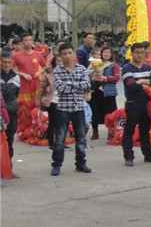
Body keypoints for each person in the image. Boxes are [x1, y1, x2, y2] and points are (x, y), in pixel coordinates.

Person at [50, 43, 92, 176]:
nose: (68, 56)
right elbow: (60, 88)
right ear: (60, 56)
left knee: (81, 138)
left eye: (70, 53)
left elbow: (87, 85)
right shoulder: (57, 70)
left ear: (73, 53)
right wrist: (77, 86)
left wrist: (68, 83)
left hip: (79, 107)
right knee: (60, 138)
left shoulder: (81, 69)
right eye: (64, 54)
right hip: (63, 108)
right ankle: (57, 164)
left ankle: (81, 163)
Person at [121, 42, 151, 167]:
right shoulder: (126, 68)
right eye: (137, 53)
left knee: (145, 131)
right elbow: (132, 86)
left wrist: (143, 81)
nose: (139, 55)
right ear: (132, 53)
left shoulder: (148, 67)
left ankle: (148, 155)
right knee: (129, 131)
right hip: (133, 104)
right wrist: (147, 85)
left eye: (142, 53)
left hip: (147, 104)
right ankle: (129, 157)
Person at [11, 33, 46, 128]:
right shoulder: (16, 55)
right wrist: (23, 74)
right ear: (22, 42)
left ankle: (36, 128)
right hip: (24, 86)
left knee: (37, 106)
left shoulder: (38, 54)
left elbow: (46, 66)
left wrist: (39, 73)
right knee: (24, 107)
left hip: (36, 85)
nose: (29, 42)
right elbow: (11, 69)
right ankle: (24, 129)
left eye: (30, 40)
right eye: (26, 40)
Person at [88, 46, 120, 140]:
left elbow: (116, 78)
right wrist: (93, 78)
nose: (106, 54)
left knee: (110, 113)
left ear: (111, 54)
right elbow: (88, 74)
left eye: (108, 52)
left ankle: (111, 132)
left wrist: (105, 78)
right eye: (105, 52)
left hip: (108, 92)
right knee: (95, 112)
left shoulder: (114, 65)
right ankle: (95, 132)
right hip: (96, 91)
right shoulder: (95, 63)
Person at [0, 52, 20, 160]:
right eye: (4, 62)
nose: (7, 65)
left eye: (9, 62)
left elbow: (16, 94)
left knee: (9, 140)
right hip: (0, 114)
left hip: (11, 113)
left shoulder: (16, 77)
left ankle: (8, 165)